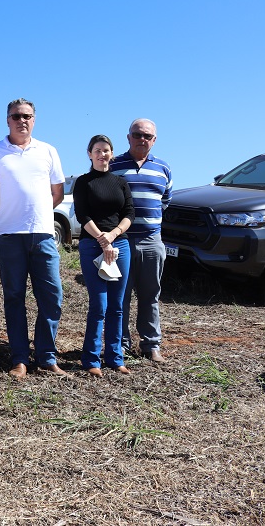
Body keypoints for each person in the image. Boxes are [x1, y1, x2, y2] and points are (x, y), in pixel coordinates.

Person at [0, 98, 66, 380]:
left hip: (42, 234)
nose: (22, 120)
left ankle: (46, 357)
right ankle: (19, 358)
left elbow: (56, 192)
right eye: (16, 116)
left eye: (27, 116)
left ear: (34, 119)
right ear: (7, 119)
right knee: (14, 297)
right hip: (7, 235)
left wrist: (38, 212)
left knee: (52, 295)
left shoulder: (47, 151)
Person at [110, 119, 173, 363]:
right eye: (137, 134)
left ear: (154, 140)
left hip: (151, 241)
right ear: (128, 137)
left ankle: (151, 345)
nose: (142, 139)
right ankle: (121, 345)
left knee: (150, 295)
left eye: (147, 136)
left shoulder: (164, 168)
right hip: (121, 241)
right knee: (120, 295)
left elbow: (164, 201)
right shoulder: (114, 165)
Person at [73, 135, 134, 377]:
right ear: (89, 154)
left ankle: (115, 357)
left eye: (106, 150)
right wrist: (102, 238)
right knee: (99, 304)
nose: (102, 154)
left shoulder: (120, 182)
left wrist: (115, 234)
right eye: (97, 150)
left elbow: (129, 213)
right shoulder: (83, 182)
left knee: (117, 306)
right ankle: (91, 360)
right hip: (92, 245)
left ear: (112, 153)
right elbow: (82, 215)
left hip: (120, 246)